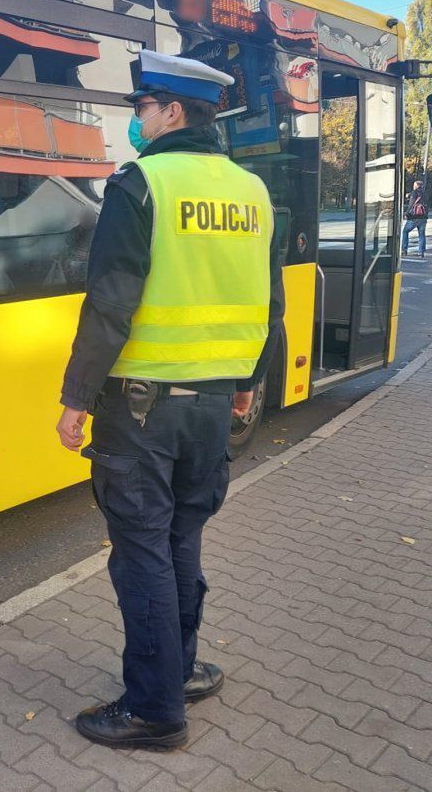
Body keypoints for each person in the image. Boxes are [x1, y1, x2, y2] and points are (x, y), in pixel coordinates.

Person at [55, 49, 283, 751]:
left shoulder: (141, 184)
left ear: (172, 112)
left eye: (140, 108)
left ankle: (154, 710)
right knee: (182, 539)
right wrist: (250, 388)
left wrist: (76, 398)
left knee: (142, 554)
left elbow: (110, 303)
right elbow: (268, 305)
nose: (135, 120)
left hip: (143, 408)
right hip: (212, 407)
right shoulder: (252, 191)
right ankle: (178, 672)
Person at [402, 179, 429, 258]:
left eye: (414, 185)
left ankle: (404, 249)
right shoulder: (426, 193)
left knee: (405, 231)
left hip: (414, 217)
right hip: (423, 217)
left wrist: (406, 213)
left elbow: (411, 204)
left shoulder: (414, 192)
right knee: (421, 235)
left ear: (416, 185)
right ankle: (421, 252)